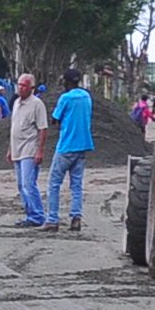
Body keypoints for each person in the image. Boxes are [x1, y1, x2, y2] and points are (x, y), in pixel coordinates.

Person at [47, 67, 96, 232]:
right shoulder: (87, 97)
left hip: (66, 146)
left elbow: (55, 119)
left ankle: (52, 219)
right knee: (76, 185)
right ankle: (76, 218)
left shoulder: (65, 98)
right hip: (82, 146)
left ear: (66, 82)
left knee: (54, 183)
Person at [5, 73, 52, 229]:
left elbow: (43, 129)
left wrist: (40, 151)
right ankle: (30, 214)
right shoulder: (16, 103)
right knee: (20, 185)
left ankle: (38, 215)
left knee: (28, 184)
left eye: (24, 85)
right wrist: (10, 149)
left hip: (29, 150)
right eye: (19, 84)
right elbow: (14, 127)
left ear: (32, 88)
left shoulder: (37, 105)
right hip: (17, 149)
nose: (21, 88)